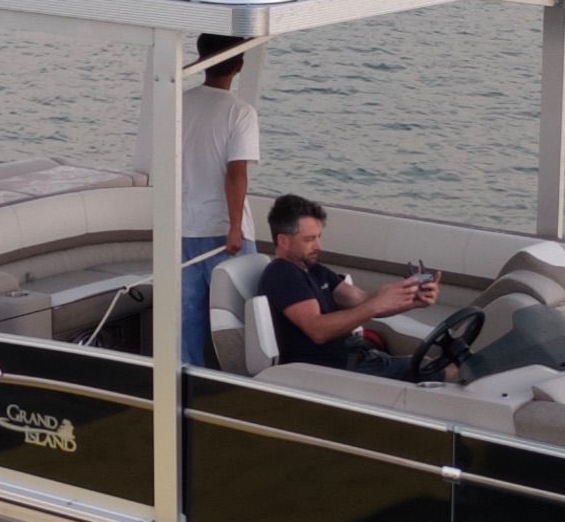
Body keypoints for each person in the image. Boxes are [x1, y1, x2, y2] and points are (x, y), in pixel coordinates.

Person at [255, 194, 439, 378]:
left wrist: (413, 299)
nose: (319, 246)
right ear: (283, 241)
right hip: (331, 372)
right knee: (444, 372)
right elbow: (317, 329)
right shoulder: (281, 274)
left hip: (357, 360)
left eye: (319, 237)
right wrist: (374, 307)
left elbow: (362, 300)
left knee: (432, 365)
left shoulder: (315, 271)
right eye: (310, 239)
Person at [175, 32, 256, 368]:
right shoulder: (240, 112)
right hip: (223, 233)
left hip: (183, 227)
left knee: (188, 318)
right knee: (243, 316)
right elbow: (236, 172)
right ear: (240, 64)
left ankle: (187, 377)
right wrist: (235, 227)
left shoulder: (179, 104)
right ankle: (243, 382)